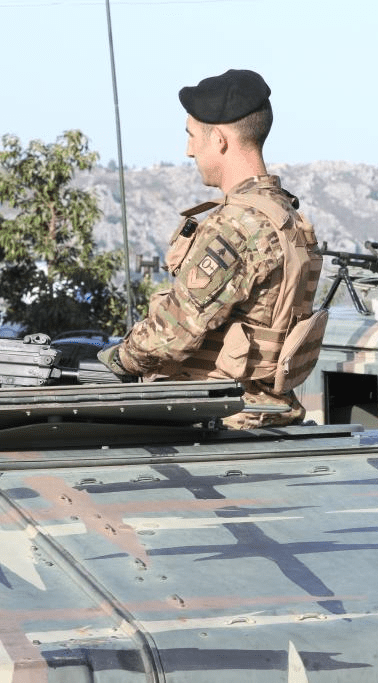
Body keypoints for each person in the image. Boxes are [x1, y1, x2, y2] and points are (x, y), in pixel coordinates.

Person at [97, 69, 321, 429]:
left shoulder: (237, 225)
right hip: (266, 411)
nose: (188, 151)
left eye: (191, 136)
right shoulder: (285, 214)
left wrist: (116, 360)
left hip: (222, 416)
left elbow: (171, 335)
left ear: (218, 139)